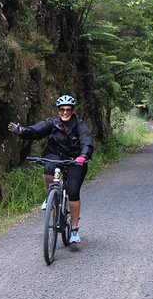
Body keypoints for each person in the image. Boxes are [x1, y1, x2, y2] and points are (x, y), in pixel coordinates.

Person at [8, 94, 93, 243]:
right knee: (48, 167)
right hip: (56, 155)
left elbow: (87, 141)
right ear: (58, 111)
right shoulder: (52, 123)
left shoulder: (79, 125)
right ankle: (51, 195)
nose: (65, 112)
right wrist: (20, 130)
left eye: (68, 109)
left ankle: (74, 229)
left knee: (73, 190)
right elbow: (36, 131)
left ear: (72, 111)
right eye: (62, 110)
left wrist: (83, 156)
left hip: (75, 159)